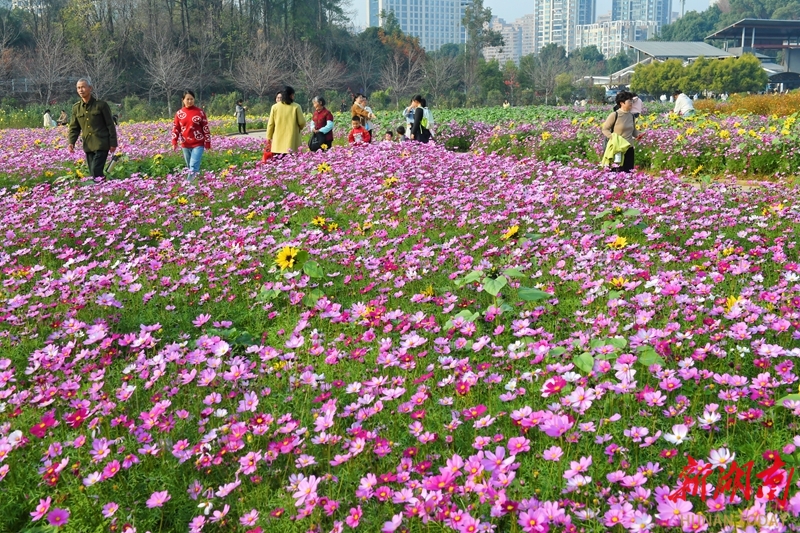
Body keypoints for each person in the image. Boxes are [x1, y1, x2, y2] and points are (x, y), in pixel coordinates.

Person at [68, 78, 118, 182]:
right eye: (78, 88)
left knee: (96, 170)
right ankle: (103, 188)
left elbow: (110, 125)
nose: (81, 90)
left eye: (83, 87)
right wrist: (71, 142)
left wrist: (113, 143)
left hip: (101, 143)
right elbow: (74, 127)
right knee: (93, 174)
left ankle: (103, 188)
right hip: (88, 145)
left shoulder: (101, 105)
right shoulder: (76, 108)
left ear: (90, 88)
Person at [172, 89, 211, 178]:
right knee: (190, 167)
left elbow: (205, 128)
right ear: (183, 100)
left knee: (193, 166)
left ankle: (189, 184)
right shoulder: (179, 113)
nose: (190, 101)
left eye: (192, 99)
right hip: (185, 144)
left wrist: (208, 142)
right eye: (187, 99)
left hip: (198, 144)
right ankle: (198, 181)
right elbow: (176, 128)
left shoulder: (200, 112)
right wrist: (174, 141)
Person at [601, 90, 641, 173]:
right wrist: (613, 138)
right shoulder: (615, 115)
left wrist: (638, 135)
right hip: (618, 148)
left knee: (628, 172)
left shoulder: (631, 116)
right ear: (622, 103)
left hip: (629, 147)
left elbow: (633, 131)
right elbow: (605, 129)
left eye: (632, 101)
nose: (631, 103)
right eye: (629, 101)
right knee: (617, 171)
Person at [266, 86, 306, 155]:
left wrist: (269, 137)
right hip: (292, 142)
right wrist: (298, 128)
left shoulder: (275, 107)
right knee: (292, 160)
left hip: (278, 144)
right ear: (291, 95)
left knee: (278, 160)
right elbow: (302, 122)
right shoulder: (296, 106)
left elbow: (270, 124)